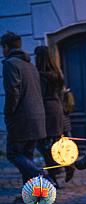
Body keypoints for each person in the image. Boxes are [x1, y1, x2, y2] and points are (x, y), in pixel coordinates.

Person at [1, 32, 46, 186]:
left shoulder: (10, 64)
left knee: (13, 154)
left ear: (6, 47)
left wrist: (8, 113)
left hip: (21, 119)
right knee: (26, 156)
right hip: (36, 118)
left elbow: (13, 92)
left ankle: (40, 173)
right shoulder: (30, 65)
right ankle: (31, 193)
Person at [34, 46, 64, 189]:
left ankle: (53, 176)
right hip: (57, 109)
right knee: (54, 145)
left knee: (45, 146)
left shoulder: (40, 75)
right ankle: (61, 169)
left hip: (46, 110)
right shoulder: (57, 73)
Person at [62, 86, 75, 183]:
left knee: (62, 147)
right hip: (64, 120)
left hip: (59, 119)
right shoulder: (62, 86)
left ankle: (69, 166)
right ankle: (69, 166)